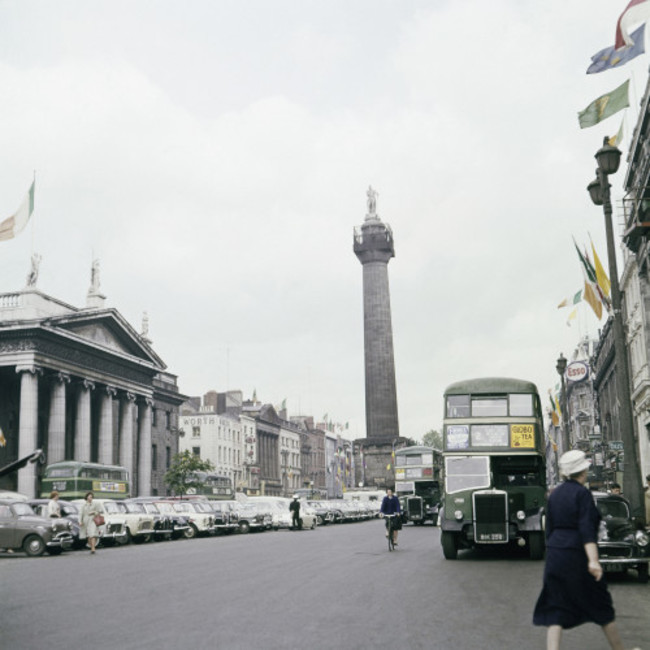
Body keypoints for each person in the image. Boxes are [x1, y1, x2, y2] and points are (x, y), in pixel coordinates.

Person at [533, 450, 640, 650]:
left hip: (556, 554)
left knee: (555, 605)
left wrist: (553, 551)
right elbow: (586, 529)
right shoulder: (582, 494)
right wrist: (593, 560)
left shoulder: (554, 494)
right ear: (583, 471)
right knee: (601, 605)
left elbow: (549, 528)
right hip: (577, 554)